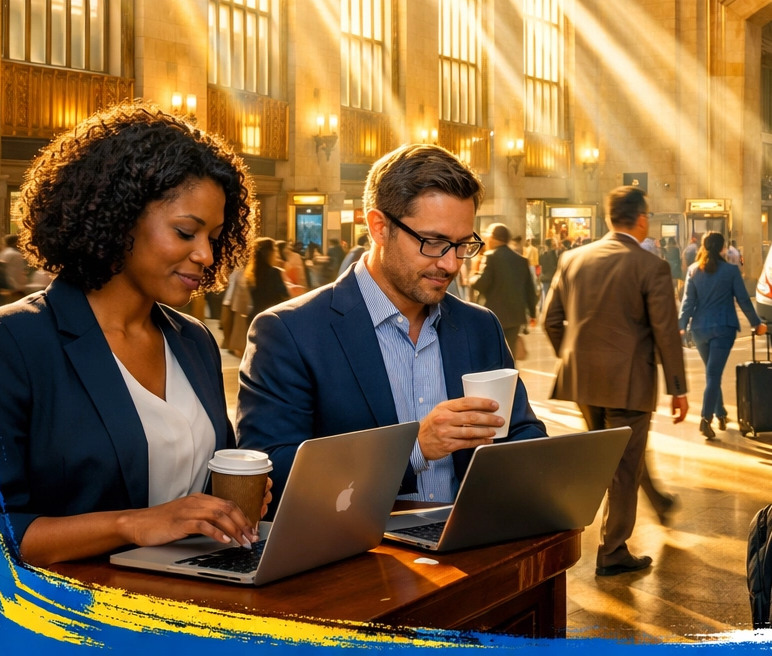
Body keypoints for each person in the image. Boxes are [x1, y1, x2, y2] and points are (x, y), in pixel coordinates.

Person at [0, 104, 266, 567]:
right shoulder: (6, 343)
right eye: (186, 232)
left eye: (215, 235)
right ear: (118, 214)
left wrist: (229, 503)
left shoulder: (193, 341)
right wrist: (132, 523)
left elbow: (199, 489)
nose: (207, 255)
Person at [236, 145, 546, 511]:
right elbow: (270, 472)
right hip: (357, 553)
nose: (450, 264)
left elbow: (523, 431)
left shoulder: (480, 326)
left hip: (469, 548)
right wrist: (414, 449)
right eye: (433, 243)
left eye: (463, 245)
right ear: (379, 227)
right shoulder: (290, 331)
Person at [543, 186, 688, 576]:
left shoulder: (572, 259)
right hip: (629, 382)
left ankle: (657, 501)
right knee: (623, 466)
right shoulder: (651, 266)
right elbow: (665, 333)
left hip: (583, 381)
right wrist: (678, 388)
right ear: (641, 219)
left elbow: (551, 321)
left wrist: (576, 358)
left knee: (617, 456)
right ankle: (613, 551)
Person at [679, 232, 765, 439]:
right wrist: (756, 323)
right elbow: (743, 299)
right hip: (723, 329)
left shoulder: (693, 270)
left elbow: (687, 302)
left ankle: (721, 413)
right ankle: (705, 419)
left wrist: (681, 326)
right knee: (713, 375)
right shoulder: (730, 271)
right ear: (722, 249)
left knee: (711, 373)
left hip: (699, 330)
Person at [469, 224, 538, 362]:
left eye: (488, 238)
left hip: (492, 316)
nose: (487, 241)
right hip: (514, 317)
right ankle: (509, 378)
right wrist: (533, 314)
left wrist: (473, 277)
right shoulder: (521, 260)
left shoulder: (490, 257)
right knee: (509, 353)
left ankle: (496, 378)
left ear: (494, 239)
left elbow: (482, 284)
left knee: (492, 353)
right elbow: (530, 290)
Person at [537, 237, 560, 315]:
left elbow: (541, 263)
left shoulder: (543, 254)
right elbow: (555, 264)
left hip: (545, 277)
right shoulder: (553, 253)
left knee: (545, 294)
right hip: (552, 276)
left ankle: (543, 309)